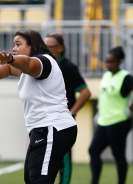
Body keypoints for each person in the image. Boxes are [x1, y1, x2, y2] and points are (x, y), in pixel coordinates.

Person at [0, 29, 77, 184]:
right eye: (13, 45)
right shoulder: (26, 70)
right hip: (43, 130)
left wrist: (12, 59)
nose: (13, 48)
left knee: (39, 180)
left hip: (52, 128)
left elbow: (27, 63)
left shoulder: (43, 61)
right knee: (31, 179)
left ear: (32, 46)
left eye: (18, 44)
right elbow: (8, 69)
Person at [88, 46, 133, 184]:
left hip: (119, 121)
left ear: (119, 62)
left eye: (112, 62)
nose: (108, 65)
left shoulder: (125, 77)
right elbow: (104, 97)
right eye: (106, 62)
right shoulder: (106, 75)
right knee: (93, 151)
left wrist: (131, 107)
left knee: (118, 155)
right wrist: (99, 111)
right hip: (104, 120)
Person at [44, 33, 91, 184]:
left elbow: (85, 93)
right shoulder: (45, 65)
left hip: (62, 122)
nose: (46, 50)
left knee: (63, 160)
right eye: (45, 47)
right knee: (44, 159)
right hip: (45, 120)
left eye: (49, 47)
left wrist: (71, 113)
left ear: (60, 48)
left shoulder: (68, 68)